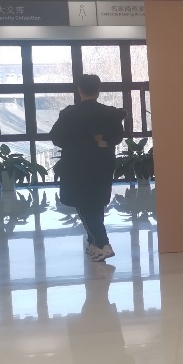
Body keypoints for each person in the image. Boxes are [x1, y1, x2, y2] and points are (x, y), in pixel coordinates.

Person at [50, 74, 126, 262]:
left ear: (79, 90)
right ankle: (93, 242)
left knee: (83, 204)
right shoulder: (109, 113)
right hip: (102, 163)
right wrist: (100, 142)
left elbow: (56, 137)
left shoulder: (69, 114)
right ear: (98, 90)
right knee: (96, 202)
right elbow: (117, 138)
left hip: (76, 165)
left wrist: (75, 143)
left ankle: (103, 244)